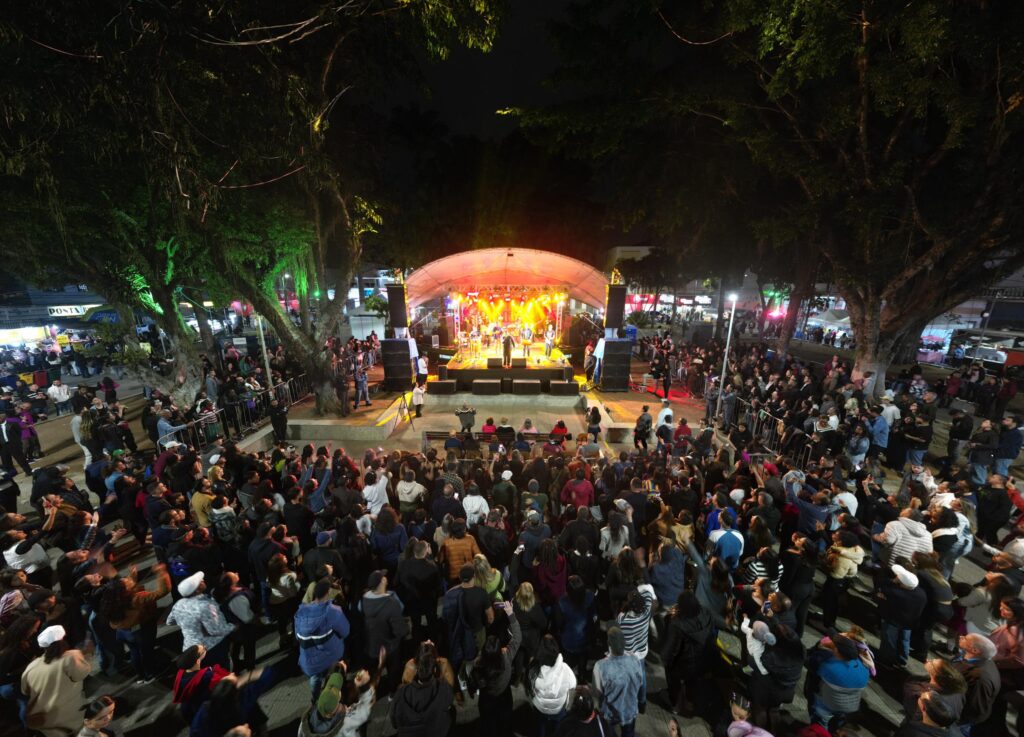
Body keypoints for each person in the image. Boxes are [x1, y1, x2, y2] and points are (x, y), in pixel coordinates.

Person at [21, 625, 93, 737]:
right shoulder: (71, 656)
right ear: (62, 639)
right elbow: (82, 674)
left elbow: (25, 691)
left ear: (43, 647)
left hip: (43, 719)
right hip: (69, 714)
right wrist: (88, 655)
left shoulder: (31, 666)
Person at [467, 601, 521, 737]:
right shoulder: (506, 657)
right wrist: (510, 614)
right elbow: (517, 637)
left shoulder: (478, 665)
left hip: (487, 700)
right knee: (505, 723)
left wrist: (472, 691)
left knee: (488, 724)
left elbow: (472, 682)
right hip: (504, 695)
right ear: (500, 650)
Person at [295, 578, 351, 700]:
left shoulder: (301, 612)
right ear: (328, 593)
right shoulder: (333, 612)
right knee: (336, 677)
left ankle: (315, 699)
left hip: (310, 662)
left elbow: (297, 636)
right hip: (331, 657)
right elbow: (345, 631)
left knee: (315, 679)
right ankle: (336, 700)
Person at [166, 571, 236, 668]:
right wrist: (233, 626)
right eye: (200, 582)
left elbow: (169, 621)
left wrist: (188, 623)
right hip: (212, 649)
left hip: (190, 650)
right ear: (196, 590)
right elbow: (216, 630)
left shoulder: (179, 604)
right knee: (222, 673)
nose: (203, 580)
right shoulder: (205, 605)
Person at [660, 590, 714, 717]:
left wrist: (669, 618)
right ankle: (690, 705)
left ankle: (676, 705)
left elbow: (668, 650)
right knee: (692, 682)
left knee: (672, 677)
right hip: (701, 660)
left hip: (682, 663)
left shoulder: (677, 624)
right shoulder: (706, 614)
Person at [359, 569, 408, 696]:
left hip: (372, 645)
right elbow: (400, 630)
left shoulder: (363, 601)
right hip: (390, 647)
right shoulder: (391, 603)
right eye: (383, 577)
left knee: (374, 672)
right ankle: (392, 693)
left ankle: (372, 694)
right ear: (382, 582)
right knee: (393, 671)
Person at [390, 643, 454, 737]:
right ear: (435, 670)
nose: (428, 640)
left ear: (416, 668)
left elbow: (394, 722)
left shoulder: (401, 694)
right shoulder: (444, 689)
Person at [592, 626, 645, 737]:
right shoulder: (635, 659)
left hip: (610, 713)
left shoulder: (600, 666)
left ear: (608, 643)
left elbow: (597, 692)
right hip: (630, 710)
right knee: (629, 733)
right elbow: (640, 682)